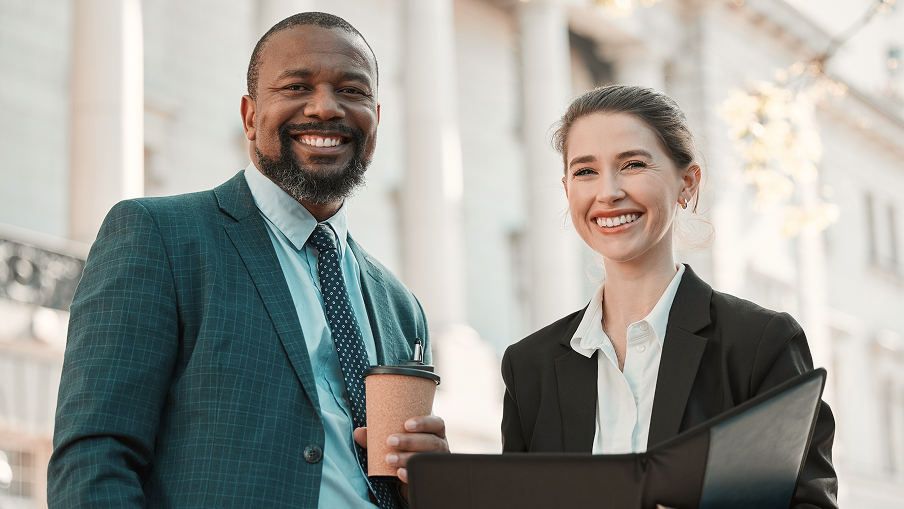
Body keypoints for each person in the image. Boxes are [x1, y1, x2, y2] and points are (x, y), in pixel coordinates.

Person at [48, 12, 447, 509]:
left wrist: (429, 483)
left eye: (352, 90)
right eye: (297, 86)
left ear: (376, 118)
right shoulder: (159, 237)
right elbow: (96, 457)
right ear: (250, 115)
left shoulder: (400, 305)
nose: (325, 108)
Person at [500, 85, 837, 508]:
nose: (608, 192)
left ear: (687, 183)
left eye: (633, 164)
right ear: (567, 188)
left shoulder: (759, 344)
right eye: (586, 171)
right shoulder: (529, 366)